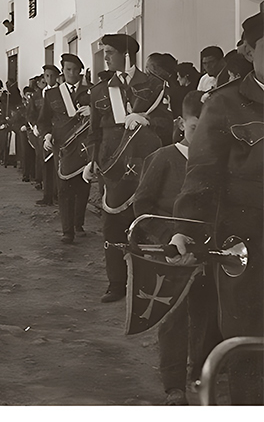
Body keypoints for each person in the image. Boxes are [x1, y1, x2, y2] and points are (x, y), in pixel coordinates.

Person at [169, 13, 264, 405]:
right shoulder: (225, 103)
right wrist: (185, 230)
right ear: (251, 51)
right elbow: (202, 175)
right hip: (248, 247)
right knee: (248, 349)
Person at [133, 90, 220, 405]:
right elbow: (141, 206)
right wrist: (167, 236)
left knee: (207, 314)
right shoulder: (164, 158)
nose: (202, 136)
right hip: (171, 256)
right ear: (181, 124)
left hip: (208, 253)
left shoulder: (218, 164)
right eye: (196, 127)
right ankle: (173, 385)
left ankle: (199, 372)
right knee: (173, 319)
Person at [83, 33, 170, 303]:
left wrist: (147, 120)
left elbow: (167, 124)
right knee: (112, 225)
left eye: (110, 51)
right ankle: (116, 283)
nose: (105, 57)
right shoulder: (99, 90)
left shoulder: (155, 86)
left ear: (126, 55)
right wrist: (92, 160)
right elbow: (94, 131)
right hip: (113, 168)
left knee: (145, 222)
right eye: (104, 51)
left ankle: (145, 283)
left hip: (145, 164)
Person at [37, 54, 91, 243]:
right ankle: (67, 231)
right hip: (62, 147)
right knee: (64, 188)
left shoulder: (90, 92)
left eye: (75, 70)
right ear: (63, 71)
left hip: (84, 147)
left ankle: (78, 223)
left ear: (80, 72)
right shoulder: (52, 94)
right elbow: (43, 120)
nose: (72, 74)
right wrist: (47, 135)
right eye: (68, 70)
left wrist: (93, 111)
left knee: (83, 187)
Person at [35, 64, 60, 206]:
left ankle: (56, 194)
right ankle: (47, 196)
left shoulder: (60, 92)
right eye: (46, 76)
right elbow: (33, 111)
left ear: (57, 77)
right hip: (42, 132)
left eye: (52, 76)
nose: (49, 79)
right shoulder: (40, 93)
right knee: (45, 164)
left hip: (55, 132)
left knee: (56, 165)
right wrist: (35, 126)